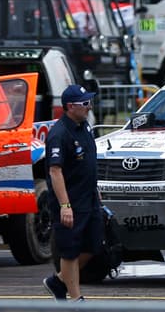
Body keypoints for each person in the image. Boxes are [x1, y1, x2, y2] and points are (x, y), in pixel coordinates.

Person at [43, 85, 101, 302]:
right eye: (84, 103)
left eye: (89, 102)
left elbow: (88, 163)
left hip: (90, 197)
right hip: (71, 200)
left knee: (94, 245)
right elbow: (55, 171)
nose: (89, 107)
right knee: (70, 250)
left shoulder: (84, 126)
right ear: (70, 107)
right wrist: (65, 206)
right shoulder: (59, 134)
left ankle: (58, 282)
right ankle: (76, 299)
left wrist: (96, 190)